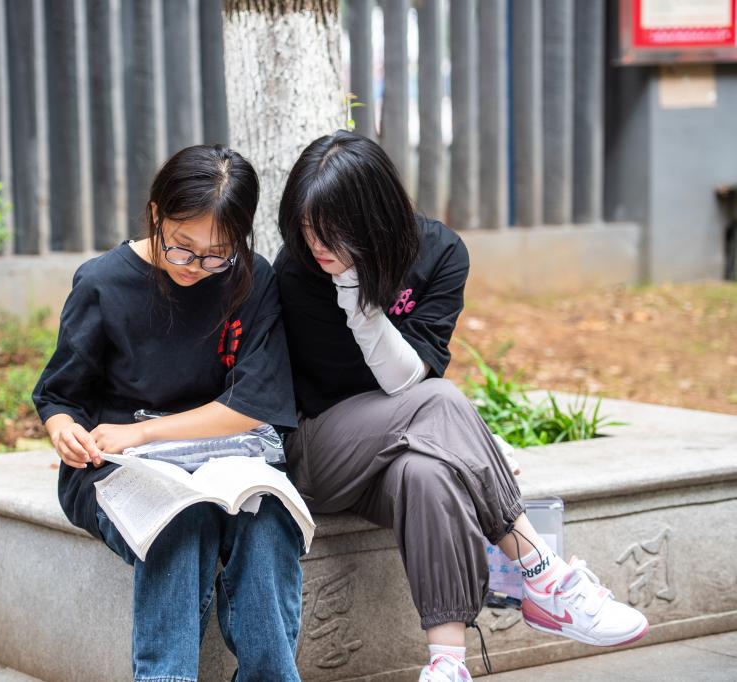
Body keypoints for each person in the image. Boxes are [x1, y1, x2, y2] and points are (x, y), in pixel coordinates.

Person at [272, 131, 648, 682]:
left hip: (401, 444)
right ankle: (545, 576)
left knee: (428, 476)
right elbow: (404, 391)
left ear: (373, 218)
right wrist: (350, 289)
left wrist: (362, 299)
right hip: (318, 451)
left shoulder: (442, 253)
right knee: (443, 401)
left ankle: (447, 664)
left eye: (330, 230)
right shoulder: (298, 270)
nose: (316, 245)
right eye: (306, 227)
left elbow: (406, 381)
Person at [32, 144, 303, 682]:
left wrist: (144, 433)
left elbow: (253, 403)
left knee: (268, 519)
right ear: (156, 213)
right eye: (182, 248)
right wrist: (64, 431)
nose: (197, 266)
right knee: (180, 518)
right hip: (119, 465)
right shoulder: (102, 282)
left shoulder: (251, 278)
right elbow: (60, 397)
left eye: (217, 254)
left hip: (228, 461)